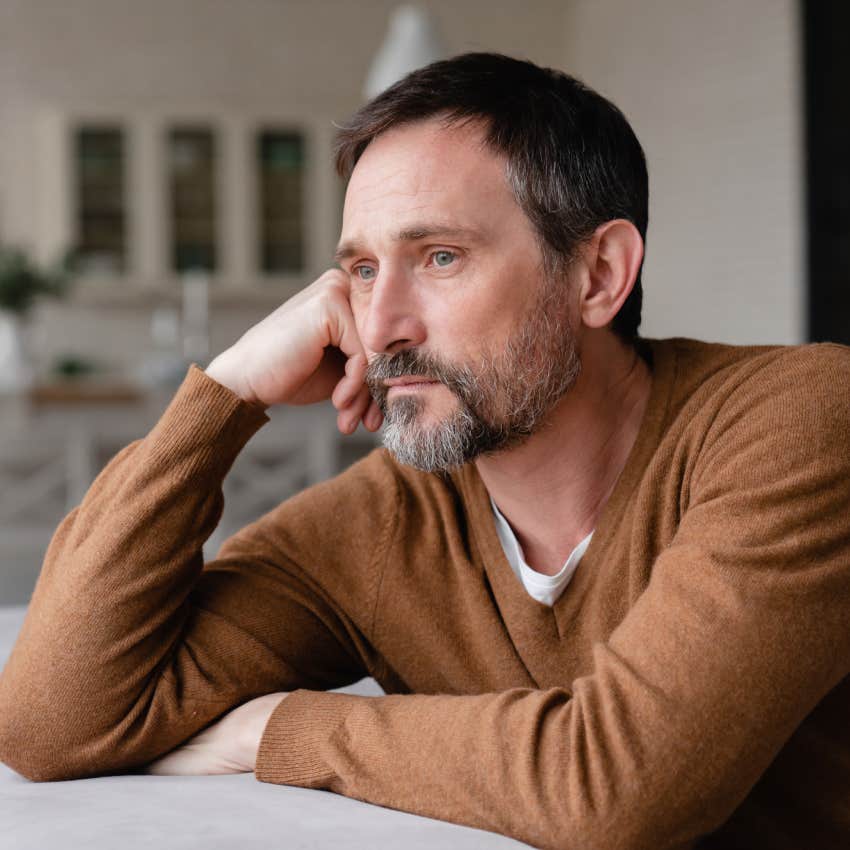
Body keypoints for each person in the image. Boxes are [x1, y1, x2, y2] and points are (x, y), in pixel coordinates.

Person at [1, 52, 849, 850]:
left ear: (598, 275)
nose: (378, 328)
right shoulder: (382, 524)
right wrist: (224, 397)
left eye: (439, 257)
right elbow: (48, 723)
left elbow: (619, 784)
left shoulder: (800, 421)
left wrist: (275, 731)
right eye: (363, 270)